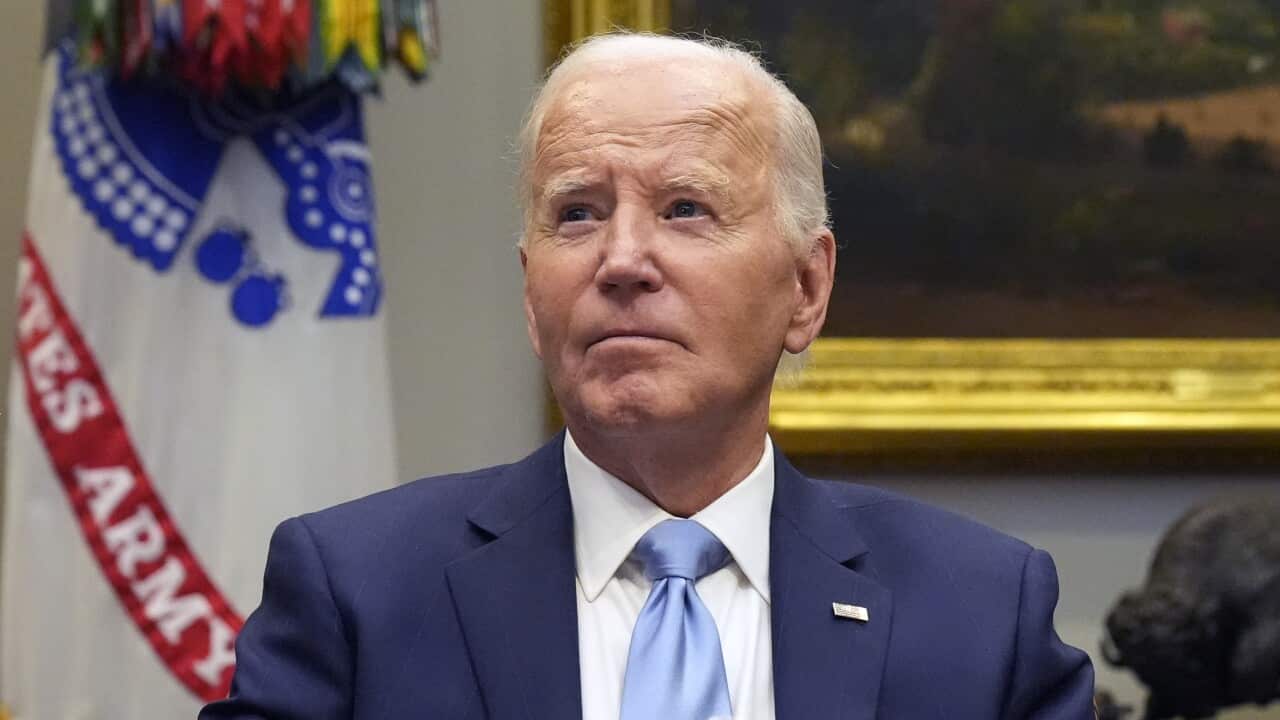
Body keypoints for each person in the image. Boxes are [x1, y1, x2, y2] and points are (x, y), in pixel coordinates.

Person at [200, 33, 1095, 719]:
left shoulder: (983, 615)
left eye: (685, 207)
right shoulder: (354, 595)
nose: (622, 259)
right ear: (531, 293)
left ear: (806, 288)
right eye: (577, 213)